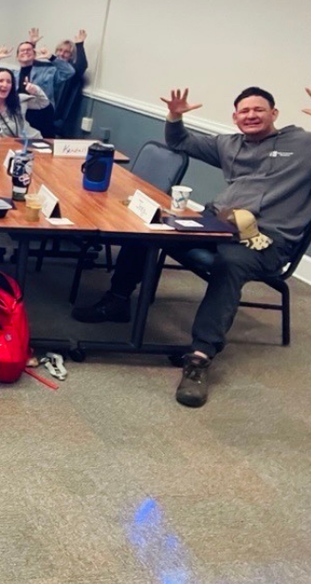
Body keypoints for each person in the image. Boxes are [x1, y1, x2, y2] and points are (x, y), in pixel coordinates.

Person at [72, 87, 311, 408]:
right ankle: (117, 300)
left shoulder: (302, 144)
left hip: (267, 240)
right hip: (219, 222)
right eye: (244, 111)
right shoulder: (229, 144)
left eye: (259, 110)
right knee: (151, 226)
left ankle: (199, 357)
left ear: (275, 114)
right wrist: (175, 116)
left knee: (230, 262)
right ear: (235, 117)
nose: (251, 115)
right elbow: (180, 141)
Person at [0, 34, 73, 137]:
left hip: (42, 114)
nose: (25, 52)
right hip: (20, 115)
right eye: (22, 50)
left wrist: (51, 57)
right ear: (17, 57)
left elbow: (69, 72)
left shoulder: (48, 70)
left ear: (34, 55)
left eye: (29, 50)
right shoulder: (13, 75)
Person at [0, 67, 51, 140]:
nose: (5, 85)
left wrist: (36, 91)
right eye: (0, 81)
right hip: (2, 145)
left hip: (30, 141)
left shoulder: (20, 99)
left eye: (9, 82)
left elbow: (43, 103)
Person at [52, 29, 89, 136]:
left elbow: (81, 66)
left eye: (66, 52)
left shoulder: (72, 71)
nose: (61, 54)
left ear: (71, 55)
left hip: (59, 119)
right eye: (59, 50)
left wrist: (79, 45)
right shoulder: (49, 67)